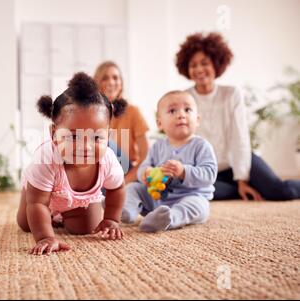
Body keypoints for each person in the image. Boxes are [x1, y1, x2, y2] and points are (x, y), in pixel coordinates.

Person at [176, 32, 300, 201]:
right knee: (201, 194)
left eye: (204, 63)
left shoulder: (231, 94)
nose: (198, 69)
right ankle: (241, 188)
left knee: (281, 192)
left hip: (239, 161)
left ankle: (245, 185)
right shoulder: (183, 98)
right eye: (193, 65)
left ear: (216, 63)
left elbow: (239, 137)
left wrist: (242, 178)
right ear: (186, 69)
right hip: (208, 170)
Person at [17, 72, 127, 255]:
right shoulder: (46, 158)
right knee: (27, 224)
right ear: (54, 134)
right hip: (41, 195)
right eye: (73, 136)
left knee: (86, 227)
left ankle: (64, 215)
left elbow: (117, 188)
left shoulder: (107, 159)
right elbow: (37, 203)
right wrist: (45, 237)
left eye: (97, 137)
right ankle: (31, 197)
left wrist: (111, 219)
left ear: (108, 135)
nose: (86, 146)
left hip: (77, 202)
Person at [122, 91, 217, 233]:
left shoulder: (201, 146)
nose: (181, 115)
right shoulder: (158, 146)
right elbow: (144, 166)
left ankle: (169, 218)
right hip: (157, 198)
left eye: (187, 109)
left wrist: (183, 171)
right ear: (160, 123)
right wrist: (145, 174)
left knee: (199, 207)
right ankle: (126, 210)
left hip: (190, 196)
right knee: (133, 188)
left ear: (197, 120)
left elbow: (209, 175)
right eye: (172, 111)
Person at [94, 61, 150, 184]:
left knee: (104, 142)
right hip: (100, 175)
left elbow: (146, 156)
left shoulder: (132, 111)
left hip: (125, 172)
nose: (111, 82)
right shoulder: (91, 114)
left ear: (121, 84)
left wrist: (124, 182)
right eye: (105, 78)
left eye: (115, 78)